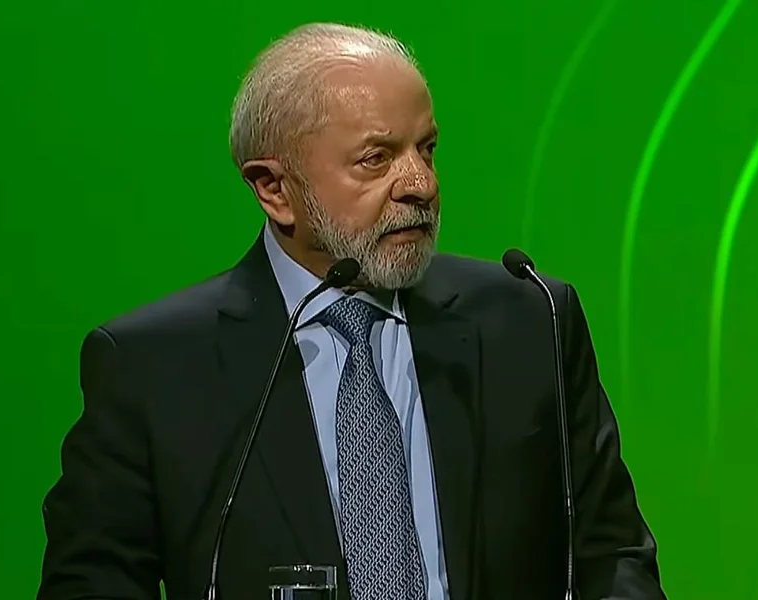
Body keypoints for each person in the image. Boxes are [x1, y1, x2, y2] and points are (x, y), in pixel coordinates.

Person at [37, 22, 666, 600]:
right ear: (274, 190)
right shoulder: (154, 368)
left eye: (427, 149)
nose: (420, 184)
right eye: (376, 158)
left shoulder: (529, 318)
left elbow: (612, 557)